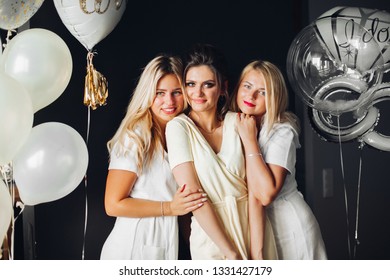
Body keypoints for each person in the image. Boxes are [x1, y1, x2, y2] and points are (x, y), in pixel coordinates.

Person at [165, 44, 277, 260]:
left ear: (223, 87)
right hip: (211, 240)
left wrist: (258, 252)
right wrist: (231, 254)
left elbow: (255, 193)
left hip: (253, 232)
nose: (197, 93)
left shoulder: (240, 122)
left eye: (208, 85)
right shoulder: (178, 127)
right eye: (191, 84)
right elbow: (193, 196)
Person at [100, 55, 207, 260]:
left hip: (166, 242)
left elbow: (182, 205)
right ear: (148, 94)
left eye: (177, 92)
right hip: (132, 247)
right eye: (160, 93)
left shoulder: (180, 134)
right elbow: (112, 204)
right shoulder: (134, 137)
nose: (169, 101)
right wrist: (169, 208)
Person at [231, 59, 327, 259]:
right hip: (257, 228)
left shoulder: (283, 130)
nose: (252, 95)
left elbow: (266, 194)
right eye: (247, 86)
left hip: (288, 224)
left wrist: (250, 141)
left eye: (263, 91)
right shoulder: (233, 123)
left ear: (274, 97)